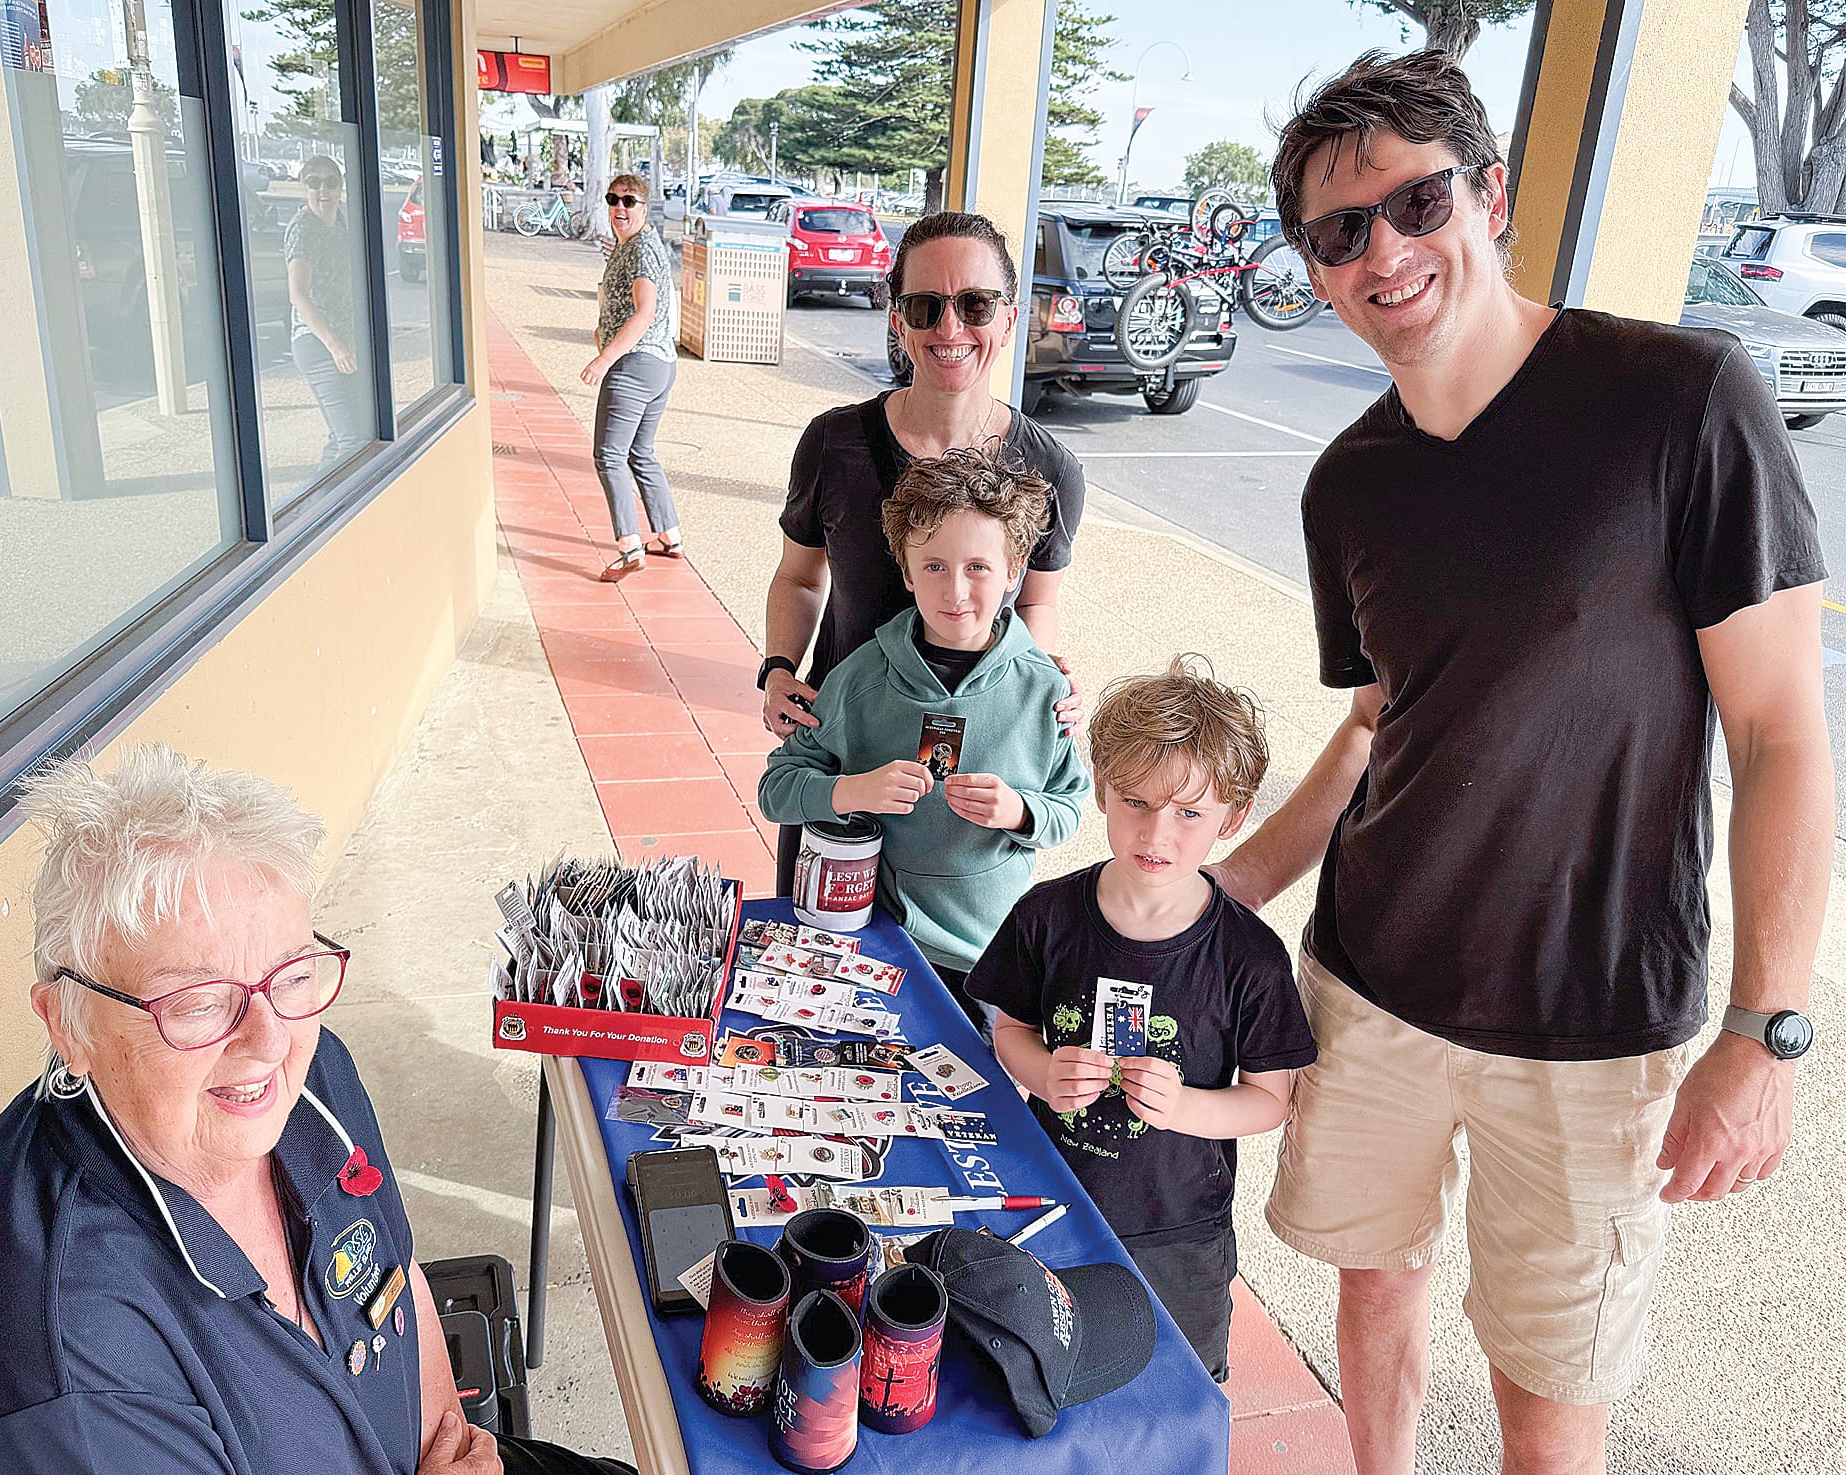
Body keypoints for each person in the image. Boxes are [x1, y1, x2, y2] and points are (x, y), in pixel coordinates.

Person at [1211, 51, 1830, 1475]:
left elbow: (1781, 728)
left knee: (1550, 1390)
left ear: (1487, 195)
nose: (1385, 250)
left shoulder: (1679, 398)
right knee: (1373, 1280)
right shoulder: (1346, 481)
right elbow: (1376, 725)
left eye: (1416, 201)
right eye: (1338, 231)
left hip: (1591, 1013)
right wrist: (1225, 886)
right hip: (1371, 980)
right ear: (1311, 267)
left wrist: (1767, 1024)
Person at [0, 746, 634, 1475]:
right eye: (200, 1002)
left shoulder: (311, 1078)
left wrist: (452, 1444)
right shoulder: (71, 1383)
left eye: (291, 974)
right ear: (69, 1026)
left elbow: (401, 1279)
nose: (268, 1042)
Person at [966, 657, 1315, 1380]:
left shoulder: (1247, 955)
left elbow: (1269, 1100)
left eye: (1189, 812)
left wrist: (1183, 1103)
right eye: (1135, 801)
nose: (1158, 832)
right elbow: (1009, 1029)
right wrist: (1042, 1070)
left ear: (1234, 817)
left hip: (1179, 1229)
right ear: (1101, 790)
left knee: (1177, 1383)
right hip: (1052, 1197)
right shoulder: (1048, 914)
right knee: (1043, 1370)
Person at [760, 211, 1086, 896]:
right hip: (847, 750)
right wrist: (778, 667)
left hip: (964, 795)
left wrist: (1044, 681)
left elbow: (1037, 601)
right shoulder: (833, 442)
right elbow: (797, 576)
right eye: (924, 305)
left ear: (1008, 316)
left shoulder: (1050, 467)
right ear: (896, 316)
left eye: (974, 304)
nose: (948, 327)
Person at [758, 445, 1090, 1026]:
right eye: (934, 566)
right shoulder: (859, 679)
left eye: (978, 568)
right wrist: (850, 791)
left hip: (992, 954)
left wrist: (1020, 811)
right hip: (869, 944)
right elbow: (776, 789)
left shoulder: (1045, 693)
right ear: (906, 572)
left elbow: (1071, 809)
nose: (955, 592)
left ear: (1015, 571)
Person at [582, 172, 681, 583]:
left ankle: (629, 547)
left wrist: (604, 359)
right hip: (659, 365)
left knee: (608, 455)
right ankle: (669, 534)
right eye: (613, 200)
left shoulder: (641, 251)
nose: (619, 208)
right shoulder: (634, 245)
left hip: (635, 366)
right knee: (640, 452)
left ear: (644, 207)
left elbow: (645, 311)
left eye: (629, 202)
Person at [287, 156, 369, 480]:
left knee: (342, 436)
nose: (323, 189)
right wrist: (335, 347)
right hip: (317, 344)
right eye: (314, 182)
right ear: (304, 186)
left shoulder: (342, 220)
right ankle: (329, 513)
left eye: (331, 182)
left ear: (340, 186)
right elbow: (298, 294)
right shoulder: (303, 228)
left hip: (344, 343)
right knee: (352, 440)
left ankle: (317, 501)